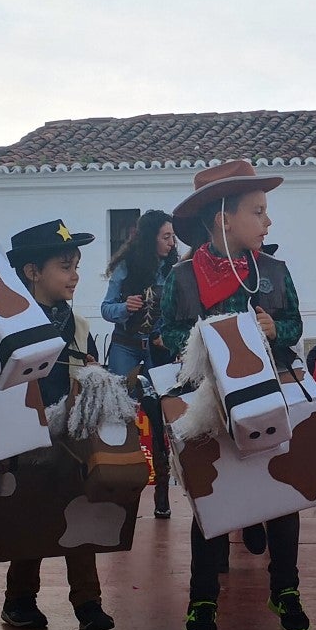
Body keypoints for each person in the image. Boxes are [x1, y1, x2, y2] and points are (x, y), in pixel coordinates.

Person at [159, 161, 308, 630]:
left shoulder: (274, 272)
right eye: (258, 212)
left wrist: (274, 328)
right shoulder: (182, 278)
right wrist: (205, 340)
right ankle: (203, 598)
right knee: (214, 499)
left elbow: (294, 325)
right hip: (208, 405)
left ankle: (286, 588)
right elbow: (168, 332)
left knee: (282, 495)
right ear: (224, 218)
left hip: (267, 397)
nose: (268, 222)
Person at [1, 219, 116, 630]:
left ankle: (88, 603)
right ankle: (19, 599)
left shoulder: (76, 324)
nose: (75, 276)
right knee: (30, 515)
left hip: (70, 437)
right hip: (25, 437)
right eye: (65, 267)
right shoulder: (9, 323)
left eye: (76, 266)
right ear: (32, 271)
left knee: (79, 512)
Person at [101, 209, 180, 518]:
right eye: (166, 237)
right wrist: (125, 307)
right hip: (126, 348)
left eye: (173, 237)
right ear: (150, 239)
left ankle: (162, 492)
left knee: (160, 420)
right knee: (120, 415)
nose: (172, 243)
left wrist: (166, 337)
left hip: (156, 354)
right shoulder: (126, 267)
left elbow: (177, 312)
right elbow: (106, 308)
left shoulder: (174, 270)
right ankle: (119, 486)